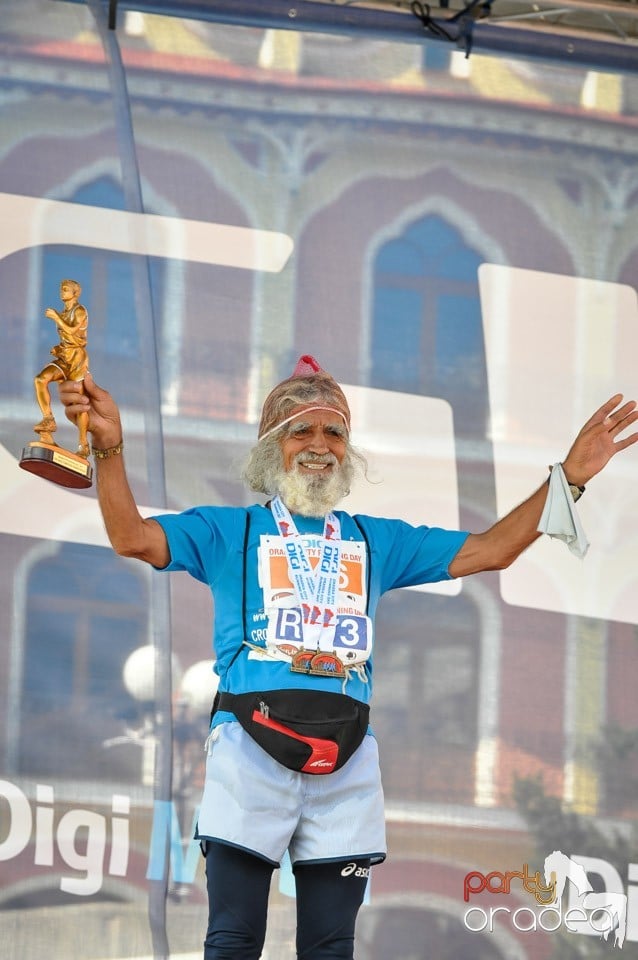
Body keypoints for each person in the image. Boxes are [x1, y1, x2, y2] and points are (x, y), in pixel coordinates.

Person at [59, 356, 638, 960]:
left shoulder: (373, 539)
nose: (319, 446)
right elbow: (132, 537)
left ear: (349, 450)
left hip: (348, 758)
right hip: (249, 750)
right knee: (233, 940)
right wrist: (111, 450)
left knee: (332, 946)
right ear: (271, 449)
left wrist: (568, 477)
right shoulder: (229, 530)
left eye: (333, 432)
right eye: (300, 431)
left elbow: (491, 549)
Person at [34, 279, 89, 457]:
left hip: (77, 360)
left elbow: (73, 331)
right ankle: (48, 420)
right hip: (64, 356)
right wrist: (58, 348)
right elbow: (68, 338)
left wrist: (56, 317)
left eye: (65, 290)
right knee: (41, 379)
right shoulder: (65, 311)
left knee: (78, 403)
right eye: (61, 289)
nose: (62, 292)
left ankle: (83, 445)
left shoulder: (79, 311)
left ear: (75, 293)